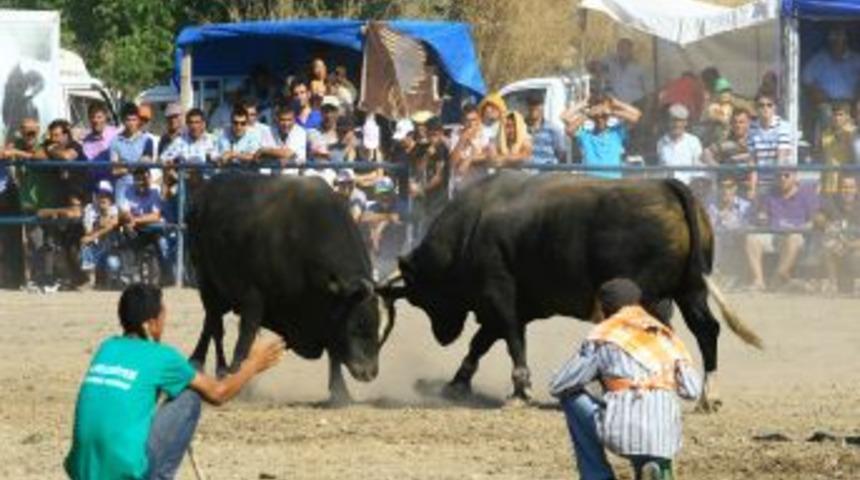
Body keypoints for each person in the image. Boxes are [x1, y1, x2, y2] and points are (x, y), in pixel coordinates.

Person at [64, 284, 285, 480]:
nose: (164, 322)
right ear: (150, 324)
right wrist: (253, 365)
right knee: (189, 397)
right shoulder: (161, 356)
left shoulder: (107, 348)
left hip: (83, 473)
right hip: (127, 473)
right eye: (163, 316)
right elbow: (219, 393)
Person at [550, 278, 700, 480]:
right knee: (656, 429)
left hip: (623, 433)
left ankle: (597, 475)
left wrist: (602, 387)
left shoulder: (604, 336)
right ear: (637, 303)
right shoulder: (667, 336)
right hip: (665, 437)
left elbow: (559, 385)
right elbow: (692, 391)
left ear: (603, 308)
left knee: (571, 397)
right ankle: (657, 469)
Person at [745, 169, 819, 291]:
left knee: (794, 238)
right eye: (779, 175)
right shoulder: (770, 194)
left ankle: (779, 276)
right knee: (752, 238)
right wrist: (762, 218)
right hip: (774, 233)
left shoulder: (806, 194)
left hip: (797, 235)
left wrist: (798, 228)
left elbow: (813, 221)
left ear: (795, 177)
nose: (782, 178)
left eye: (786, 175)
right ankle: (759, 281)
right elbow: (762, 215)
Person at [562, 94, 642, 179]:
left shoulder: (616, 133)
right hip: (591, 182)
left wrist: (614, 106)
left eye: (604, 117)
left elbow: (636, 116)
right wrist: (586, 107)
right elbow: (567, 125)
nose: (601, 119)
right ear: (592, 118)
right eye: (597, 117)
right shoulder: (586, 135)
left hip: (613, 182)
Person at [801, 26, 860, 142]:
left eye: (840, 38)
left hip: (851, 102)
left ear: (846, 40)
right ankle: (828, 146)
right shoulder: (819, 59)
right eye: (833, 38)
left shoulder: (856, 59)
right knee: (825, 111)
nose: (837, 42)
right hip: (827, 102)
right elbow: (805, 79)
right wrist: (815, 92)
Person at [817, 175, 860, 294]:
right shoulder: (832, 202)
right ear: (839, 190)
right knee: (828, 247)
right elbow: (818, 217)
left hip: (856, 246)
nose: (847, 191)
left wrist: (852, 244)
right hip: (839, 245)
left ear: (856, 189)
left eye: (851, 187)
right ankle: (833, 286)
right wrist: (824, 222)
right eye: (844, 187)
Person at [708, 175, 753, 284]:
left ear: (735, 188)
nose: (725, 190)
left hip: (737, 236)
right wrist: (720, 217)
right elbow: (709, 226)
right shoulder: (712, 205)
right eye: (722, 186)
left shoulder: (745, 205)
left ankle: (739, 277)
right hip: (719, 238)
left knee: (747, 239)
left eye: (729, 186)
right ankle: (714, 274)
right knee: (714, 238)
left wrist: (732, 223)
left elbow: (747, 226)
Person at [747, 91, 793, 198]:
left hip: (780, 182)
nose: (765, 108)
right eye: (761, 105)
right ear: (756, 108)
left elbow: (781, 158)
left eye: (769, 105)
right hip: (760, 182)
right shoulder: (752, 128)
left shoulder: (783, 126)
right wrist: (752, 188)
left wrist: (776, 188)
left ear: (774, 108)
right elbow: (752, 161)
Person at [110, 104, 155, 206]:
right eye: (128, 120)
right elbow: (114, 171)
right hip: (123, 189)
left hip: (142, 186)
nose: (131, 123)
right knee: (124, 215)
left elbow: (146, 162)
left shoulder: (147, 140)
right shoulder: (115, 141)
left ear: (138, 120)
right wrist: (136, 166)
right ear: (123, 121)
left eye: (134, 120)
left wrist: (125, 167)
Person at [80, 182, 119, 288]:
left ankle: (111, 281)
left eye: (106, 195)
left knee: (112, 264)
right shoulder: (89, 208)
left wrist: (105, 214)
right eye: (100, 194)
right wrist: (99, 224)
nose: (102, 198)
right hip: (95, 244)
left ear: (110, 197)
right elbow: (87, 231)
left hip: (110, 243)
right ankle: (91, 280)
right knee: (85, 243)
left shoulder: (114, 208)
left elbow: (112, 224)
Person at [657, 104, 705, 185]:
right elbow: (661, 169)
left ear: (685, 123)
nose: (676, 125)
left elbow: (699, 169)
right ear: (668, 122)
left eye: (679, 121)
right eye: (673, 121)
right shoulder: (661, 142)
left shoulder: (693, 141)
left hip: (687, 187)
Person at [450, 104, 491, 191]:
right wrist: (462, 140)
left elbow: (489, 156)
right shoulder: (456, 134)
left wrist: (469, 159)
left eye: (473, 120)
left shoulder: (486, 133)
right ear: (462, 121)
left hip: (480, 185)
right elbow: (453, 161)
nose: (470, 124)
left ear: (479, 119)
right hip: (460, 186)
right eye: (467, 120)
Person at [819, 101, 855, 195]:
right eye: (835, 115)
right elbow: (824, 160)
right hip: (829, 185)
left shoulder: (853, 133)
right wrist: (820, 183)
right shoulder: (825, 134)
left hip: (847, 186)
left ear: (847, 116)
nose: (837, 118)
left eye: (840, 115)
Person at [82, 103, 120, 191]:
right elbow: (91, 168)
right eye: (93, 117)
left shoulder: (117, 134)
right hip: (99, 184)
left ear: (105, 117)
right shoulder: (86, 142)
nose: (96, 120)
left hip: (118, 181)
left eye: (99, 117)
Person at [603, 38, 648, 108]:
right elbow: (594, 67)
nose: (621, 51)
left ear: (630, 50)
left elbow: (647, 87)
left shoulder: (639, 66)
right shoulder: (610, 62)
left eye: (624, 48)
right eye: (619, 48)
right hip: (614, 102)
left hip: (635, 102)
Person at [525, 95, 566, 165]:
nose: (533, 107)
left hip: (547, 170)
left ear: (542, 106)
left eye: (537, 104)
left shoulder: (553, 129)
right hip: (525, 170)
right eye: (531, 104)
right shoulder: (521, 127)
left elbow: (561, 152)